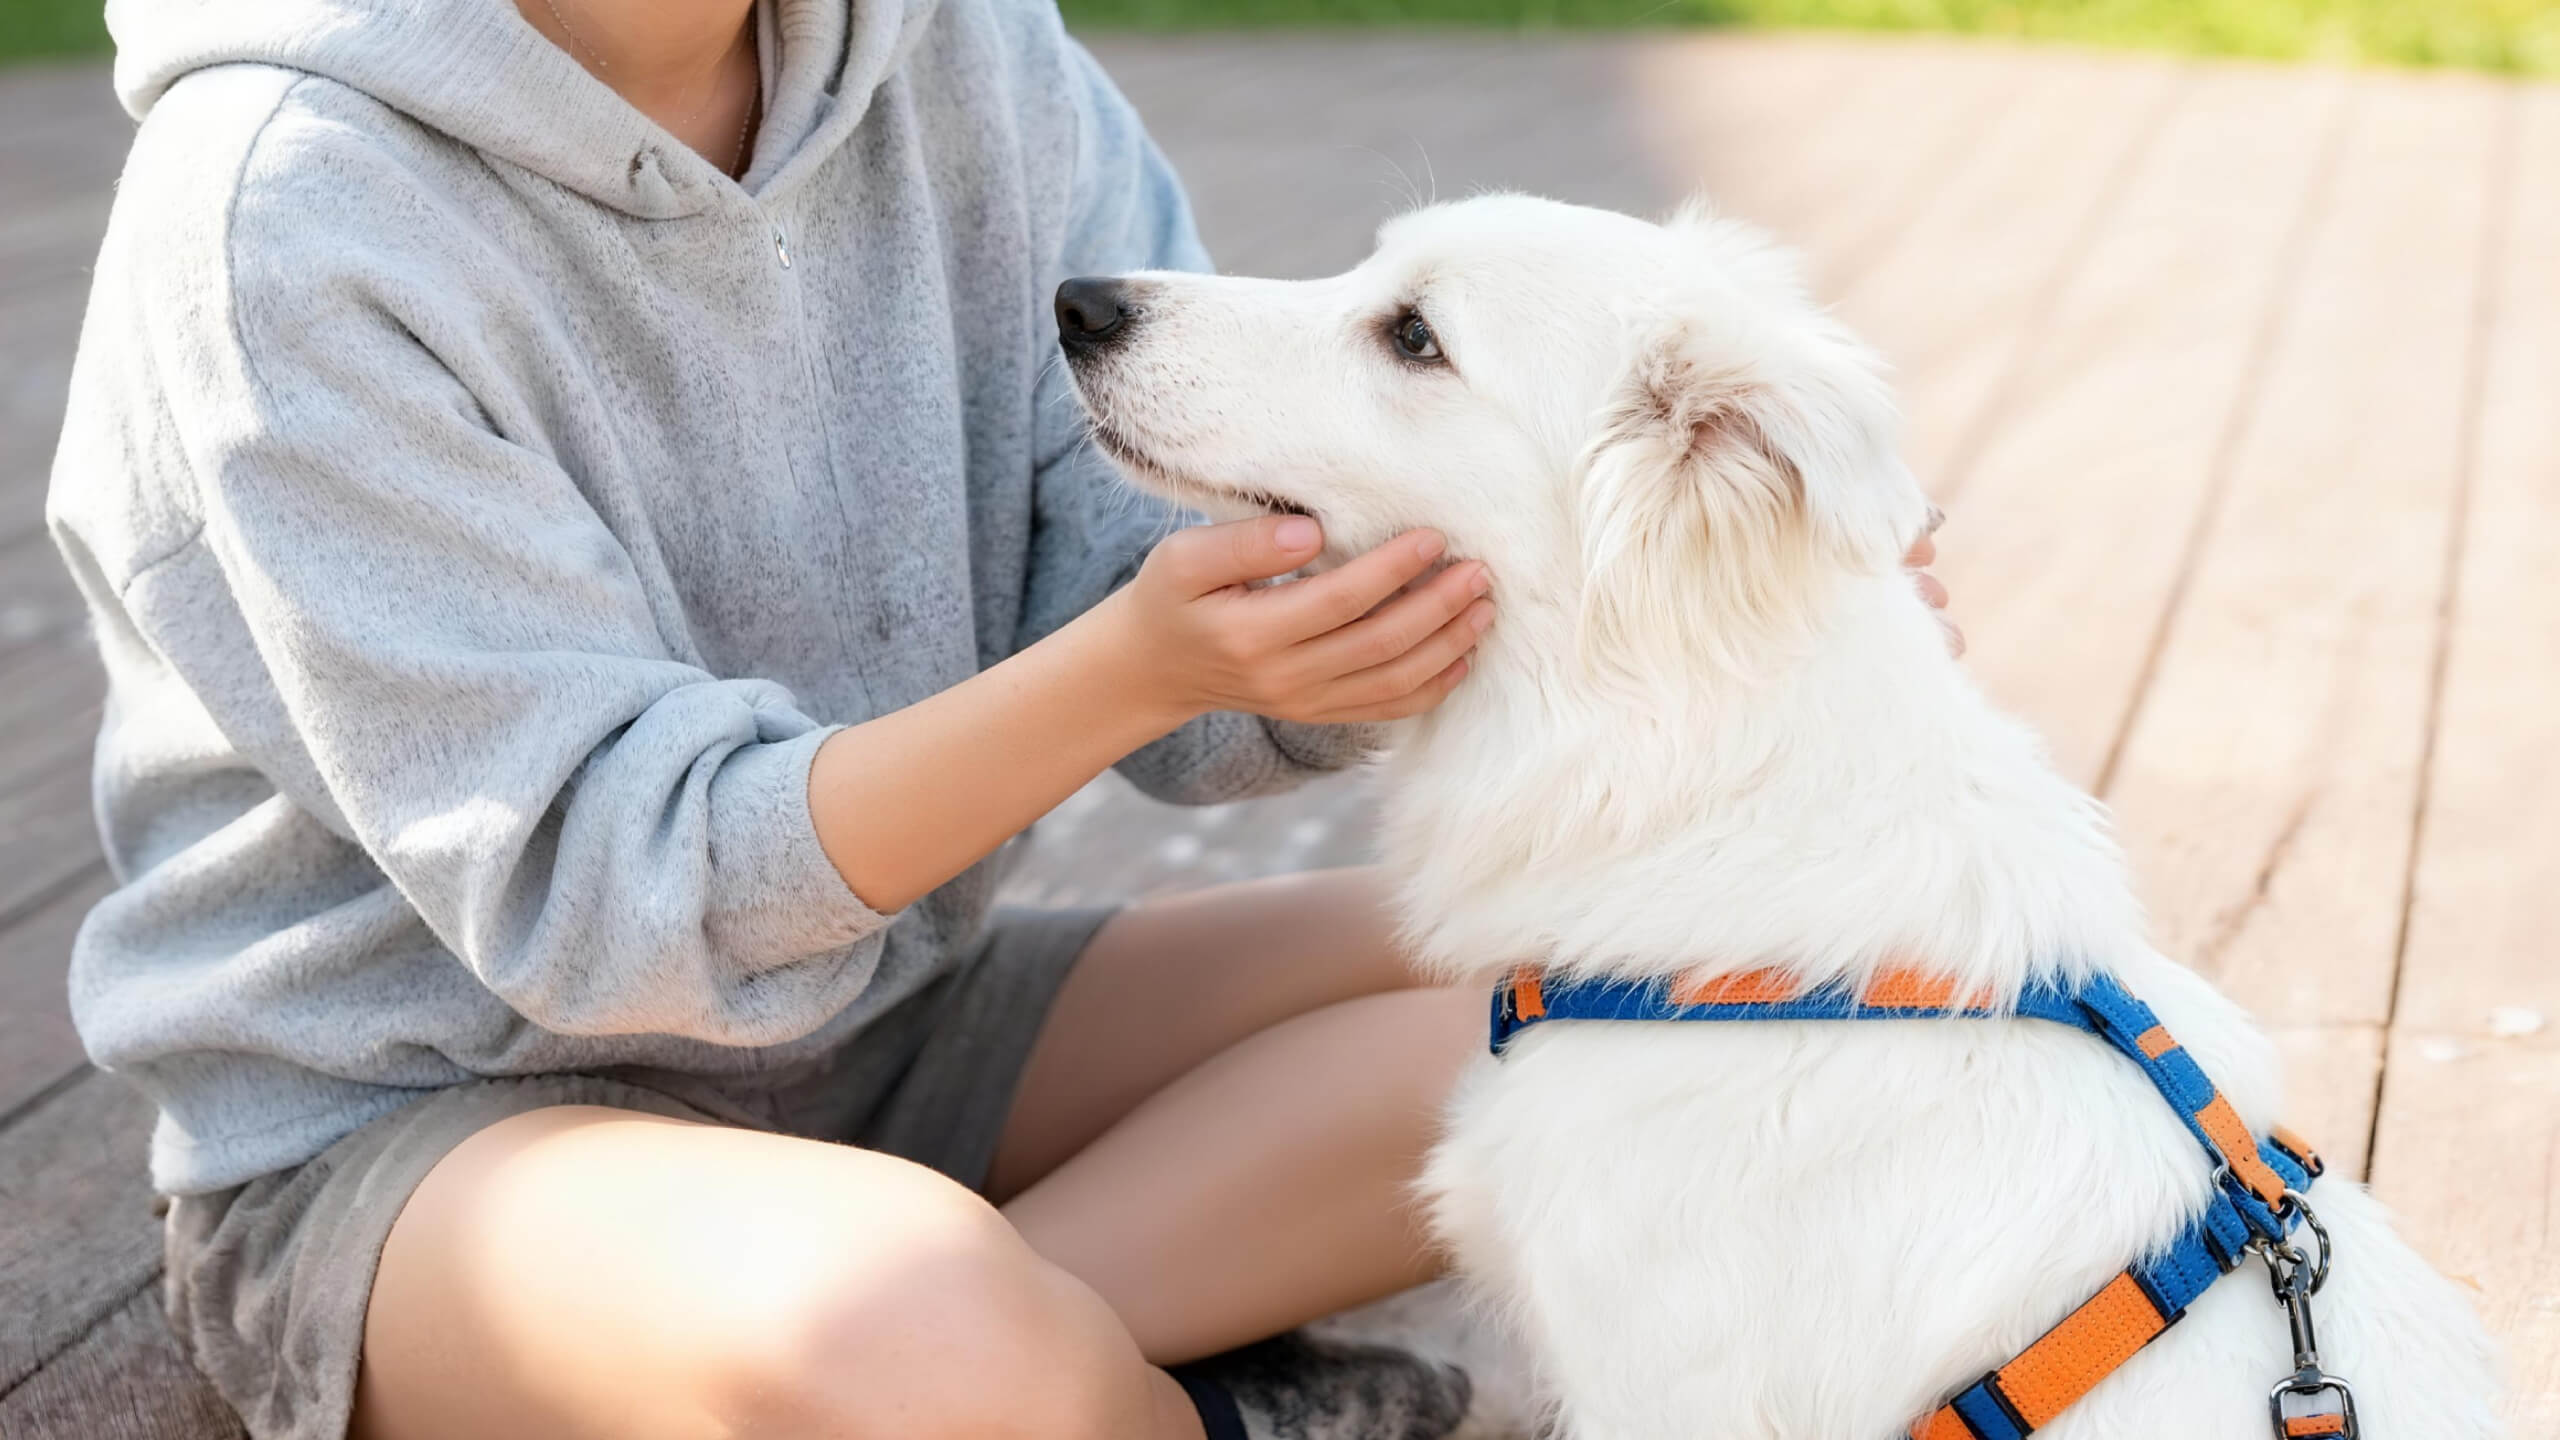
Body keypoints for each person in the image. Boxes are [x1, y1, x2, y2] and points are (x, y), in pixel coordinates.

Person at [46, 1, 1953, 1437]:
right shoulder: (281, 218)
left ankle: (1015, 1373)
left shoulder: (965, 52)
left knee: (1675, 985)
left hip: (892, 1023)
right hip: (424, 1139)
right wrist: (1129, 670)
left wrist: (1678, 568)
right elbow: (608, 894)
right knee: (925, 1330)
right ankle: (1051, 1380)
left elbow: (1172, 564)